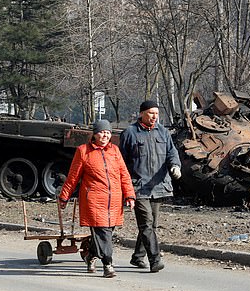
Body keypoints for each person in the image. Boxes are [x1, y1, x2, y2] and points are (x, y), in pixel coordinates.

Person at [58, 119, 135, 278]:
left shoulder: (115, 151)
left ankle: (90, 255)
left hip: (113, 201)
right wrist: (64, 197)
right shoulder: (83, 151)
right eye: (102, 132)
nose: (105, 135)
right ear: (94, 134)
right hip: (93, 200)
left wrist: (129, 195)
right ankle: (108, 264)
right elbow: (73, 177)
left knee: (106, 233)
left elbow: (124, 175)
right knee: (103, 233)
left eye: (108, 132)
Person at [119, 100, 182, 273]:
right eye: (151, 113)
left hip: (158, 186)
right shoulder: (130, 133)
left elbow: (172, 153)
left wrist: (175, 166)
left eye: (156, 113)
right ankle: (155, 260)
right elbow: (121, 163)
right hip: (138, 187)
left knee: (151, 225)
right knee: (146, 224)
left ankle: (138, 257)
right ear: (141, 114)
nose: (154, 117)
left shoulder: (163, 132)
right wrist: (124, 188)